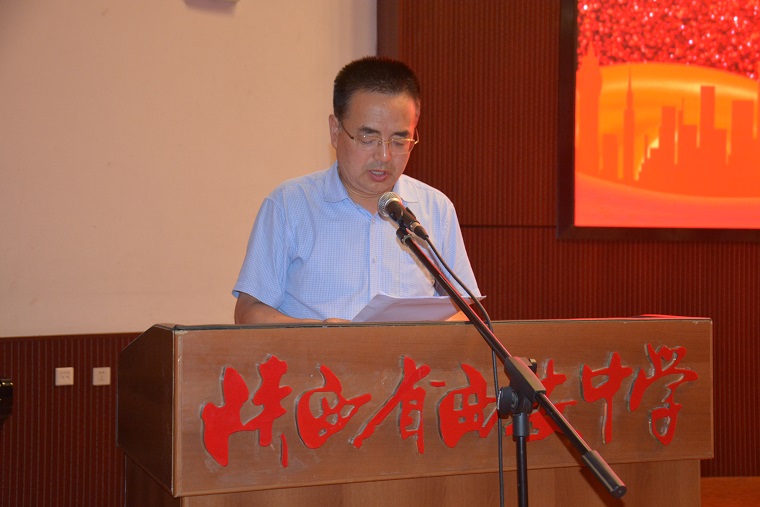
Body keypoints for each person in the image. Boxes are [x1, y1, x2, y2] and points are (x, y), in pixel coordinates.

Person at [233, 56, 479, 324]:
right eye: (368, 138)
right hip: (319, 352)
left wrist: (419, 337)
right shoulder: (289, 205)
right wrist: (322, 333)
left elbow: (466, 313)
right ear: (335, 130)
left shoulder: (435, 209)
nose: (384, 156)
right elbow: (249, 313)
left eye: (400, 141)